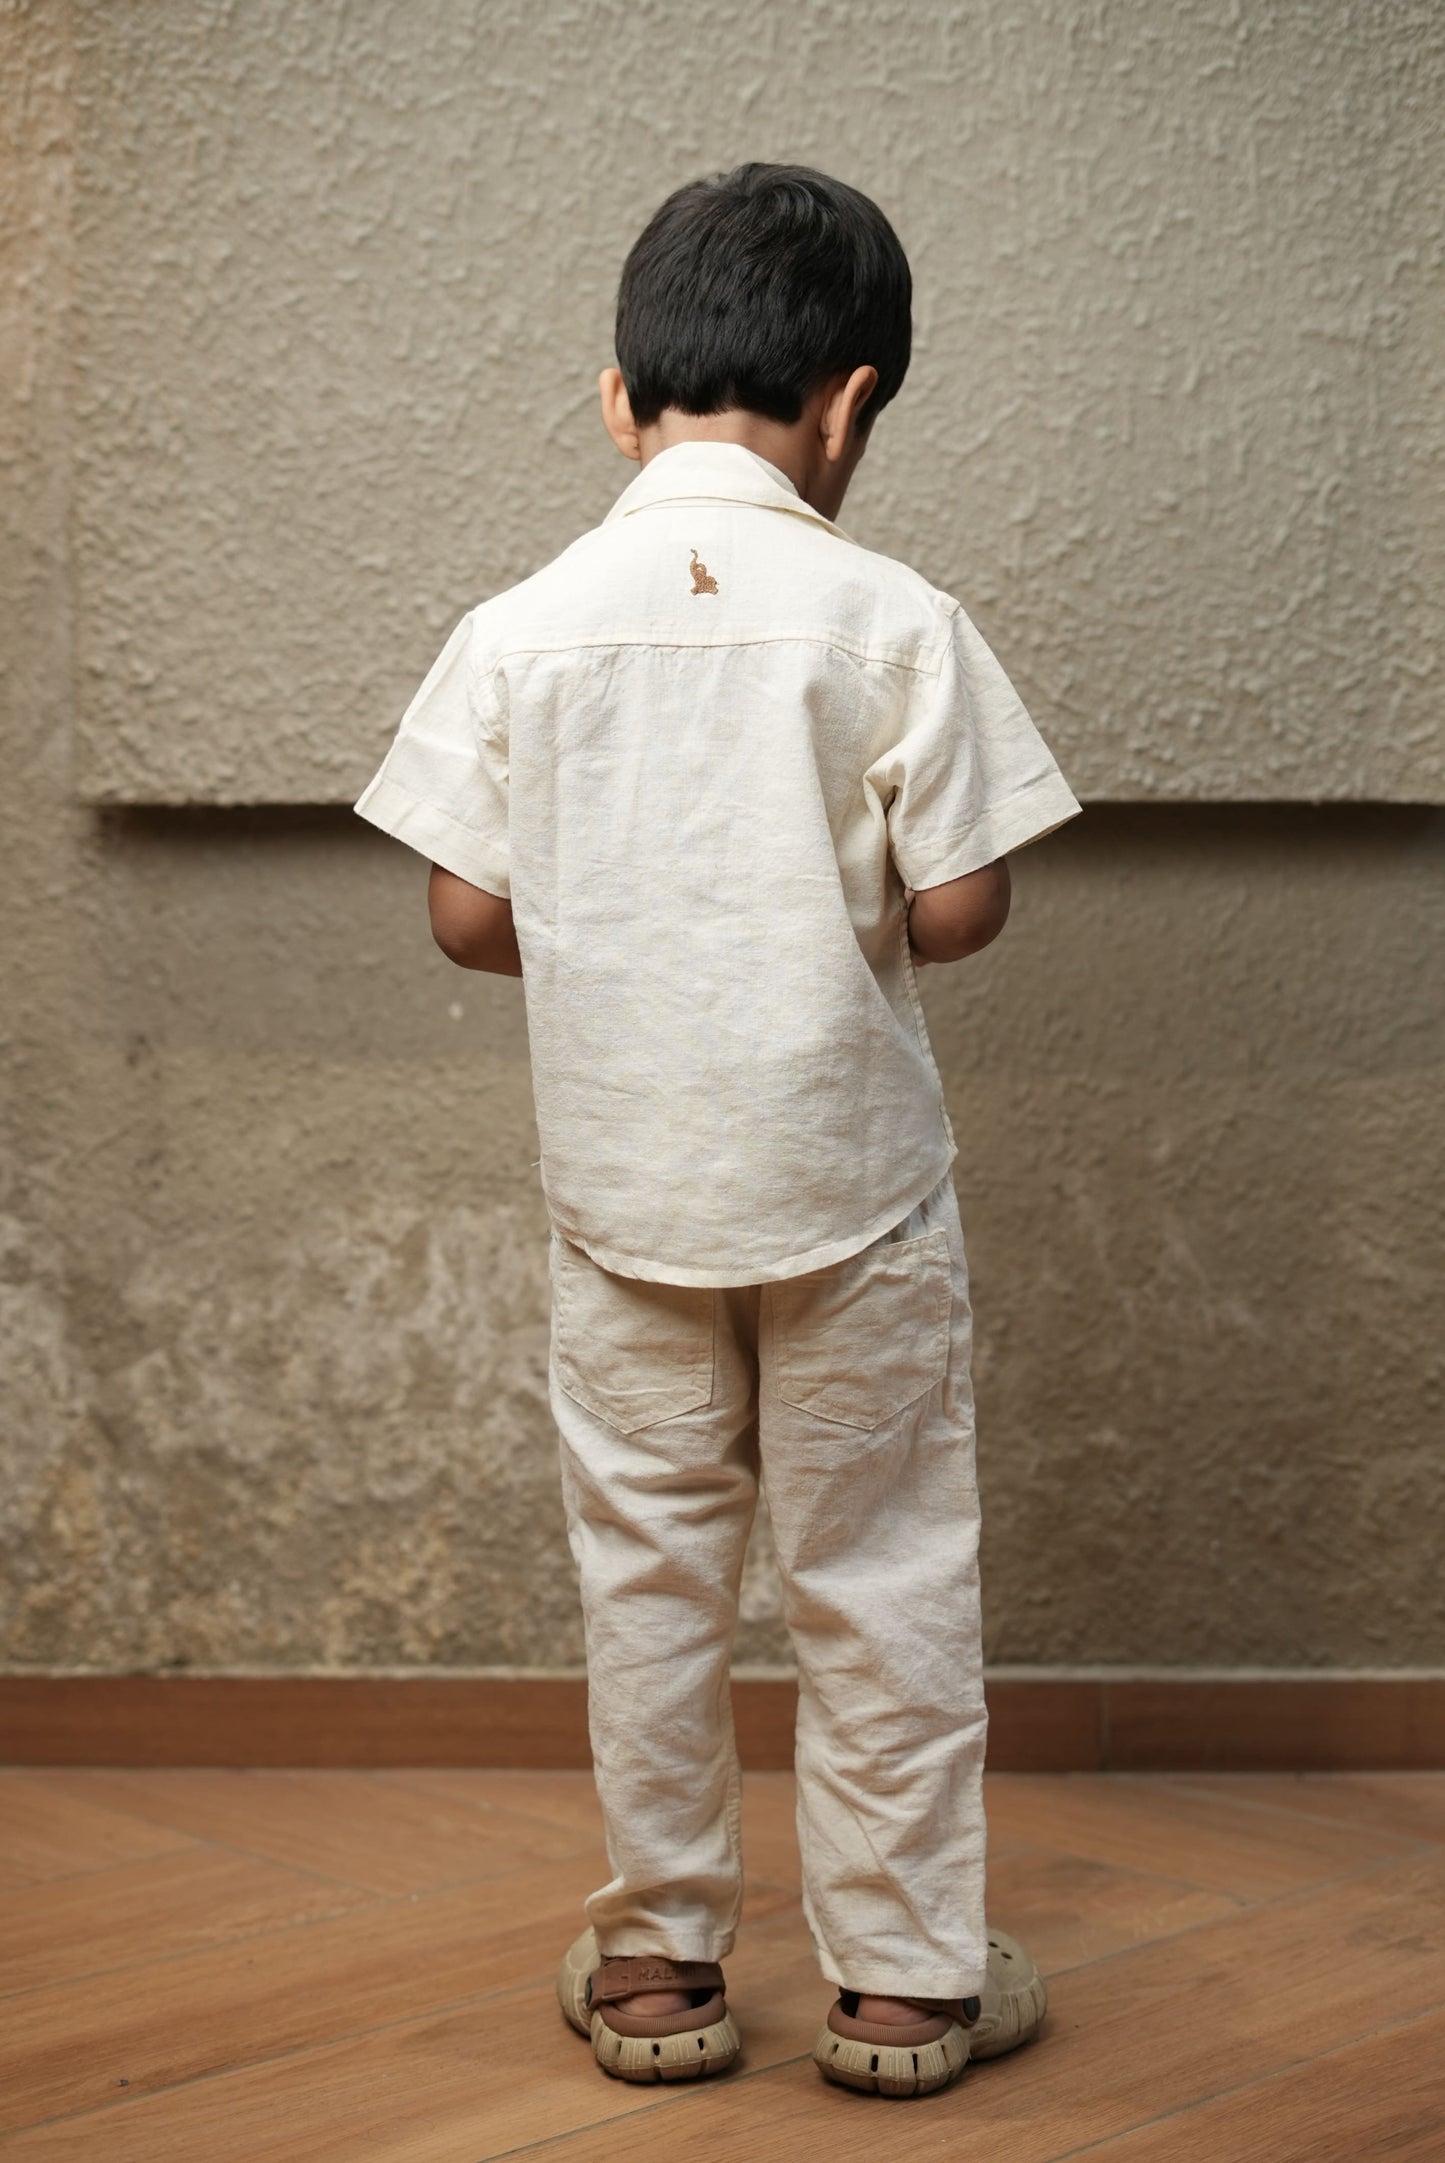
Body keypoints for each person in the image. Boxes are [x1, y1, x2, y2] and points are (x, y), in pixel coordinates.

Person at [355, 162, 1080, 2100]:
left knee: (652, 1575)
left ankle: (666, 1963)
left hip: (623, 1204)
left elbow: (463, 915)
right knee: (887, 1573)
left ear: (619, 398)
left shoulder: (519, 627)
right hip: (856, 1200)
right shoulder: (895, 617)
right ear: (850, 406)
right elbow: (958, 910)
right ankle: (907, 1980)